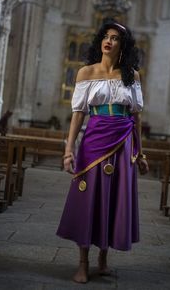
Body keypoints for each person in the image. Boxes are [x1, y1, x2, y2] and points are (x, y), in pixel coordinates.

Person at [56, 20, 149, 283]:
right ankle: (83, 263)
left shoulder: (132, 75)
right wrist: (68, 150)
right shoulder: (86, 72)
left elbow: (137, 118)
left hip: (124, 141)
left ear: (124, 45)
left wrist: (140, 153)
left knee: (114, 198)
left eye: (115, 38)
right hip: (94, 139)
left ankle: (103, 260)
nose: (108, 41)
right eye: (105, 36)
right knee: (90, 198)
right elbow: (77, 115)